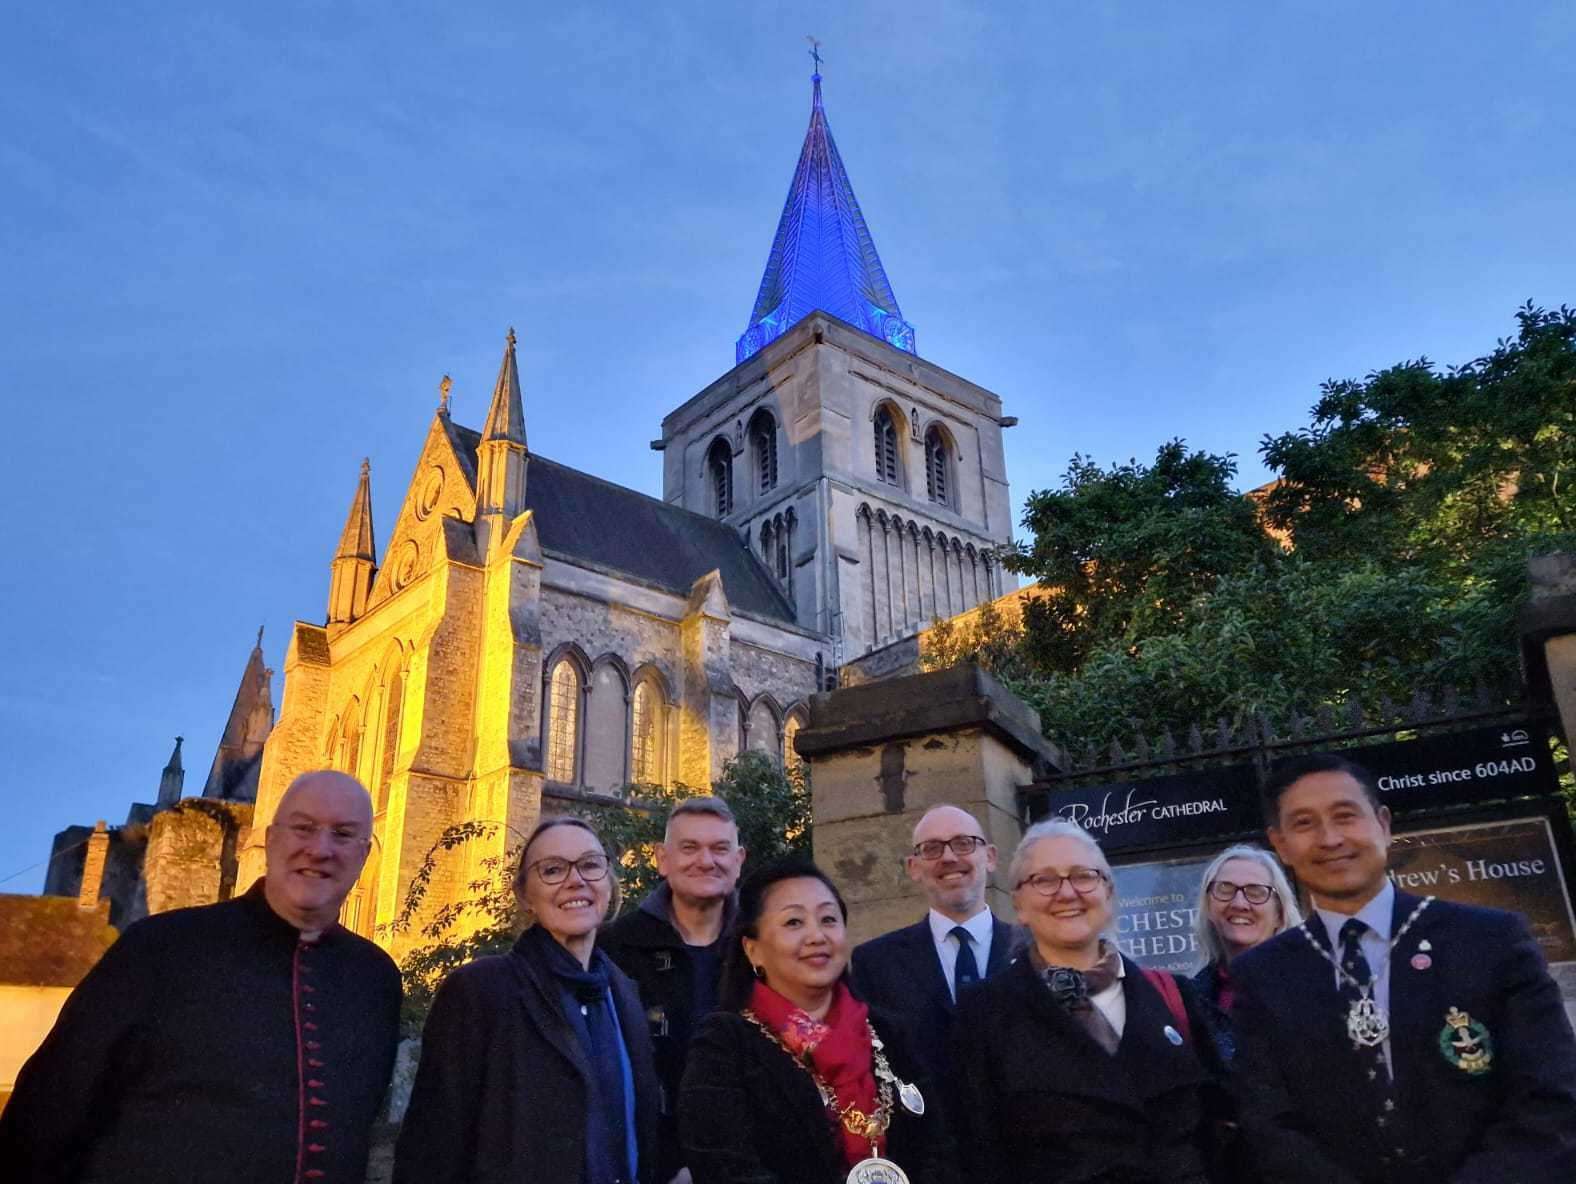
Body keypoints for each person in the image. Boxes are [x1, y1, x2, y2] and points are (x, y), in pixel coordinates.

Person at [0, 770, 402, 1184]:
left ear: (364, 855)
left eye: (342, 834)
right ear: (271, 839)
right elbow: (43, 1119)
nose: (320, 849)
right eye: (303, 828)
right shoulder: (160, 948)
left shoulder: (376, 979)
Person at [1232, 753, 1576, 1182]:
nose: (1330, 838)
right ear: (1280, 844)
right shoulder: (1264, 974)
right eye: (1304, 824)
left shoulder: (1489, 941)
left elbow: (1551, 1096)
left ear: (1383, 824)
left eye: (1345, 815)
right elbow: (1269, 1124)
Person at [395, 816, 660, 1184]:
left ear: (609, 883)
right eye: (552, 870)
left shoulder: (624, 994)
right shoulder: (481, 991)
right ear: (524, 895)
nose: (576, 880)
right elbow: (432, 1147)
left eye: (590, 865)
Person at [954, 818, 1221, 1183]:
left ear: (1108, 892)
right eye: (1044, 880)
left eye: (1083, 876)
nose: (1067, 893)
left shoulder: (1176, 998)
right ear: (1019, 903)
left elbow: (1218, 1131)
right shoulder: (983, 1014)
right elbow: (978, 1156)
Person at [678, 858, 958, 1184]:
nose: (816, 936)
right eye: (794, 922)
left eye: (828, 919)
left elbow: (940, 1149)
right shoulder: (724, 1044)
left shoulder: (889, 1033)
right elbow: (725, 1168)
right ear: (752, 949)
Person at [602, 796, 747, 1184]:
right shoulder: (615, 949)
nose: (705, 860)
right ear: (662, 859)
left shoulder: (764, 945)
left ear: (739, 861)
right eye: (689, 848)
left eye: (720, 848)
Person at [850, 804, 1016, 1101]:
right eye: (932, 848)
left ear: (990, 857)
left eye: (964, 844)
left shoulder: (1035, 952)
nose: (949, 857)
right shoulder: (876, 964)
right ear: (913, 867)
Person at [1190, 843, 1301, 1062]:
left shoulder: (1309, 988)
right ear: (1209, 908)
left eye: (1256, 892)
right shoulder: (1191, 1001)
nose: (1239, 903)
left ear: (1279, 913)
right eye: (1225, 889)